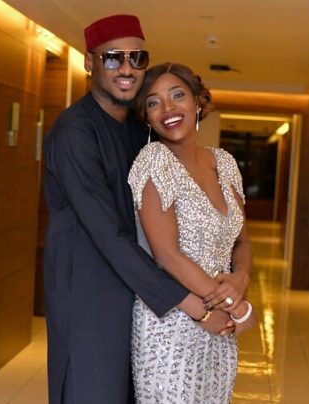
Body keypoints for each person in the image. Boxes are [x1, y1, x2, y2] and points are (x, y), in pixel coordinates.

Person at [42, 15, 245, 404]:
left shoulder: (142, 132)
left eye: (137, 58)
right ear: (89, 62)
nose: (127, 69)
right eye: (113, 57)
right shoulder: (75, 133)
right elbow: (110, 237)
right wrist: (197, 307)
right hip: (91, 300)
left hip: (140, 297)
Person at [128, 63, 256, 403]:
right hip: (173, 324)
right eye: (153, 102)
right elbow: (166, 255)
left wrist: (240, 280)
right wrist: (233, 306)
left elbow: (242, 241)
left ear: (198, 102)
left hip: (220, 327)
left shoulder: (224, 162)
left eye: (177, 95)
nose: (167, 109)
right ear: (147, 117)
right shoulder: (154, 160)